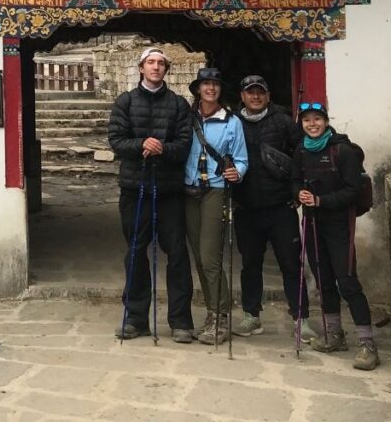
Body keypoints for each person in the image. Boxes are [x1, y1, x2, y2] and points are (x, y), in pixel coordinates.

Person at [108, 46, 196, 343]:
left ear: (166, 70)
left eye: (161, 63)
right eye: (151, 62)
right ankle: (135, 318)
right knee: (135, 252)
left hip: (169, 189)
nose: (156, 67)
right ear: (141, 68)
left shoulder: (179, 104)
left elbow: (184, 144)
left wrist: (162, 149)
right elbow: (117, 141)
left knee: (178, 254)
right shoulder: (126, 101)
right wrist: (141, 145)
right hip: (136, 188)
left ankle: (181, 321)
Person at [292, 102, 379, 371]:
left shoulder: (342, 150)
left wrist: (321, 200)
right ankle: (334, 335)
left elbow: (353, 190)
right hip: (312, 222)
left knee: (347, 280)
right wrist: (300, 194)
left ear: (326, 121)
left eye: (317, 119)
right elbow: (295, 180)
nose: (312, 124)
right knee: (324, 279)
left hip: (340, 223)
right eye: (307, 120)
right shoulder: (301, 149)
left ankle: (367, 343)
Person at [231, 75, 315, 342]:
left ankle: (302, 318)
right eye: (250, 92)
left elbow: (300, 155)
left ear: (268, 95)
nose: (255, 97)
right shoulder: (233, 122)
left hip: (281, 206)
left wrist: (296, 191)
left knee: (291, 264)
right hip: (247, 206)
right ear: (242, 96)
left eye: (260, 92)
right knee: (250, 264)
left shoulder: (282, 121)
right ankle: (251, 315)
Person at [184, 67, 248, 345]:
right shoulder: (186, 119)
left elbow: (242, 158)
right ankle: (211, 313)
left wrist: (238, 172)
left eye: (215, 84)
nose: (210, 89)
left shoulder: (231, 121)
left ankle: (221, 315)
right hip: (188, 189)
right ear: (198, 89)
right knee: (198, 255)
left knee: (210, 256)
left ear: (220, 90)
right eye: (205, 84)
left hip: (215, 189)